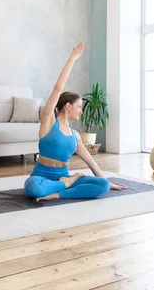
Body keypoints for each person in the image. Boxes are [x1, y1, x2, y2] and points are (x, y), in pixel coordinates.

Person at [24, 42, 128, 201]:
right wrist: (72, 59)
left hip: (63, 176)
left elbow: (91, 162)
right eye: (79, 106)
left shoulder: (75, 136)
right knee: (33, 187)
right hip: (42, 177)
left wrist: (106, 182)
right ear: (67, 106)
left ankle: (59, 193)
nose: (81, 110)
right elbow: (57, 89)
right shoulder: (49, 122)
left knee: (103, 186)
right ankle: (67, 184)